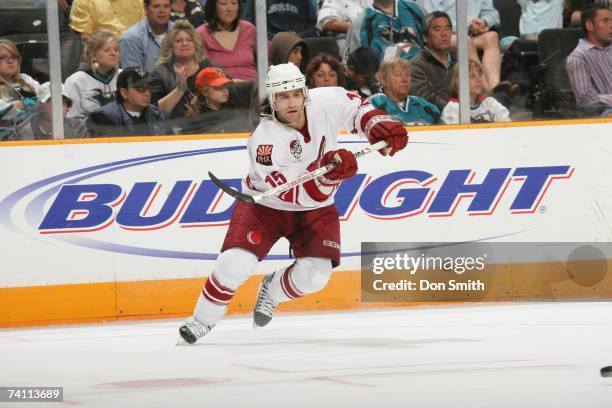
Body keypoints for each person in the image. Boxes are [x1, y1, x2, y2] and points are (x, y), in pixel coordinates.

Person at [177, 63, 408, 344]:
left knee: (316, 276)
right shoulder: (265, 141)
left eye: (296, 94)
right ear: (271, 100)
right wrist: (331, 176)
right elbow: (292, 193)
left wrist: (377, 125)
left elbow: (356, 107)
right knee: (235, 263)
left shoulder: (326, 101)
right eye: (283, 97)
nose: (291, 102)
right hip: (267, 207)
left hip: (316, 208)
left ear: (305, 93)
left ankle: (272, 292)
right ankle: (202, 320)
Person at [417, 0, 503, 89]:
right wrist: (467, 27)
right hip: (444, 34)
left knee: (492, 37)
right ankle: (485, 89)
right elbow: (432, 19)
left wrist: (483, 22)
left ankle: (496, 87)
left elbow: (493, 14)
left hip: (472, 32)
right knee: (465, 41)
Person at [150, 20, 217, 123]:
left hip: (208, 125)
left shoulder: (208, 67)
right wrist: (179, 91)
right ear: (170, 46)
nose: (184, 44)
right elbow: (154, 112)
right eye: (178, 41)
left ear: (196, 44)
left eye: (189, 40)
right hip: (172, 129)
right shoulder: (160, 73)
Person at [86, 67, 167, 137]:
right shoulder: (102, 117)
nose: (147, 94)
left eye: (149, 88)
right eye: (141, 89)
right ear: (124, 93)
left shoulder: (156, 114)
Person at [196, 0, 258, 82]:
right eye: (223, 4)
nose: (229, 9)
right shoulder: (201, 34)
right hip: (221, 88)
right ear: (213, 7)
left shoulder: (249, 29)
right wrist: (231, 81)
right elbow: (205, 73)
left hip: (253, 86)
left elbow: (267, 58)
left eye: (233, 3)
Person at [64, 30, 121, 119]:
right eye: (107, 50)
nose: (113, 53)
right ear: (93, 55)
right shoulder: (76, 81)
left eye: (116, 50)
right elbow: (72, 120)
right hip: (89, 131)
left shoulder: (124, 76)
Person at [566, 5, 612, 113]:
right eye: (605, 21)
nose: (611, 25)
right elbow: (585, 98)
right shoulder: (577, 58)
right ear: (590, 26)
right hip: (603, 114)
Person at [346, 0, 425, 61]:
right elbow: (359, 65)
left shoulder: (414, 8)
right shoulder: (361, 23)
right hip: (387, 77)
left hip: (424, 71)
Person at [370, 57, 440, 125]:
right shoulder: (372, 105)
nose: (405, 80)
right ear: (383, 80)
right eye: (398, 74)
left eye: (408, 74)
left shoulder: (426, 107)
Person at [184, 67, 253, 133]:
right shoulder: (198, 120)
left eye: (225, 85)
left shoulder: (234, 107)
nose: (225, 90)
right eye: (218, 87)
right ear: (205, 92)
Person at [10, 82, 88, 140]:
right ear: (40, 106)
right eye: (53, 102)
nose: (58, 107)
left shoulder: (77, 128)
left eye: (63, 102)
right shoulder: (23, 130)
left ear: (67, 108)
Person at [410, 11, 455, 110]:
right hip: (436, 120)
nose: (444, 34)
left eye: (447, 29)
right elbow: (424, 98)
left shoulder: (459, 60)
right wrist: (453, 111)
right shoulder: (417, 64)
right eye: (437, 29)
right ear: (425, 37)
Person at [441, 60, 510, 123]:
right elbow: (456, 134)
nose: (479, 79)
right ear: (458, 82)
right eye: (472, 76)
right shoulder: (452, 108)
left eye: (479, 75)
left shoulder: (489, 102)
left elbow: (507, 124)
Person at [0, 39, 41, 137]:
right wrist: (19, 105)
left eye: (13, 57)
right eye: (3, 57)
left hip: (34, 138)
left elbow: (45, 97)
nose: (10, 61)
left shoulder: (26, 79)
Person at [120, 0, 174, 72]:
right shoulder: (130, 39)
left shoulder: (180, 32)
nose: (162, 10)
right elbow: (134, 78)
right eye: (156, 6)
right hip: (146, 82)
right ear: (146, 9)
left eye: (166, 6)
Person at [243, 0, 318, 40]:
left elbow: (314, 27)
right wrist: (276, 37)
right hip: (267, 45)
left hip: (297, 43)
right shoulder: (255, 2)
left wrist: (299, 35)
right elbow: (246, 26)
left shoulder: (306, 2)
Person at [69, 0, 145, 39]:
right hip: (101, 53)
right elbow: (85, 37)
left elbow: (146, 28)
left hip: (136, 49)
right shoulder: (83, 1)